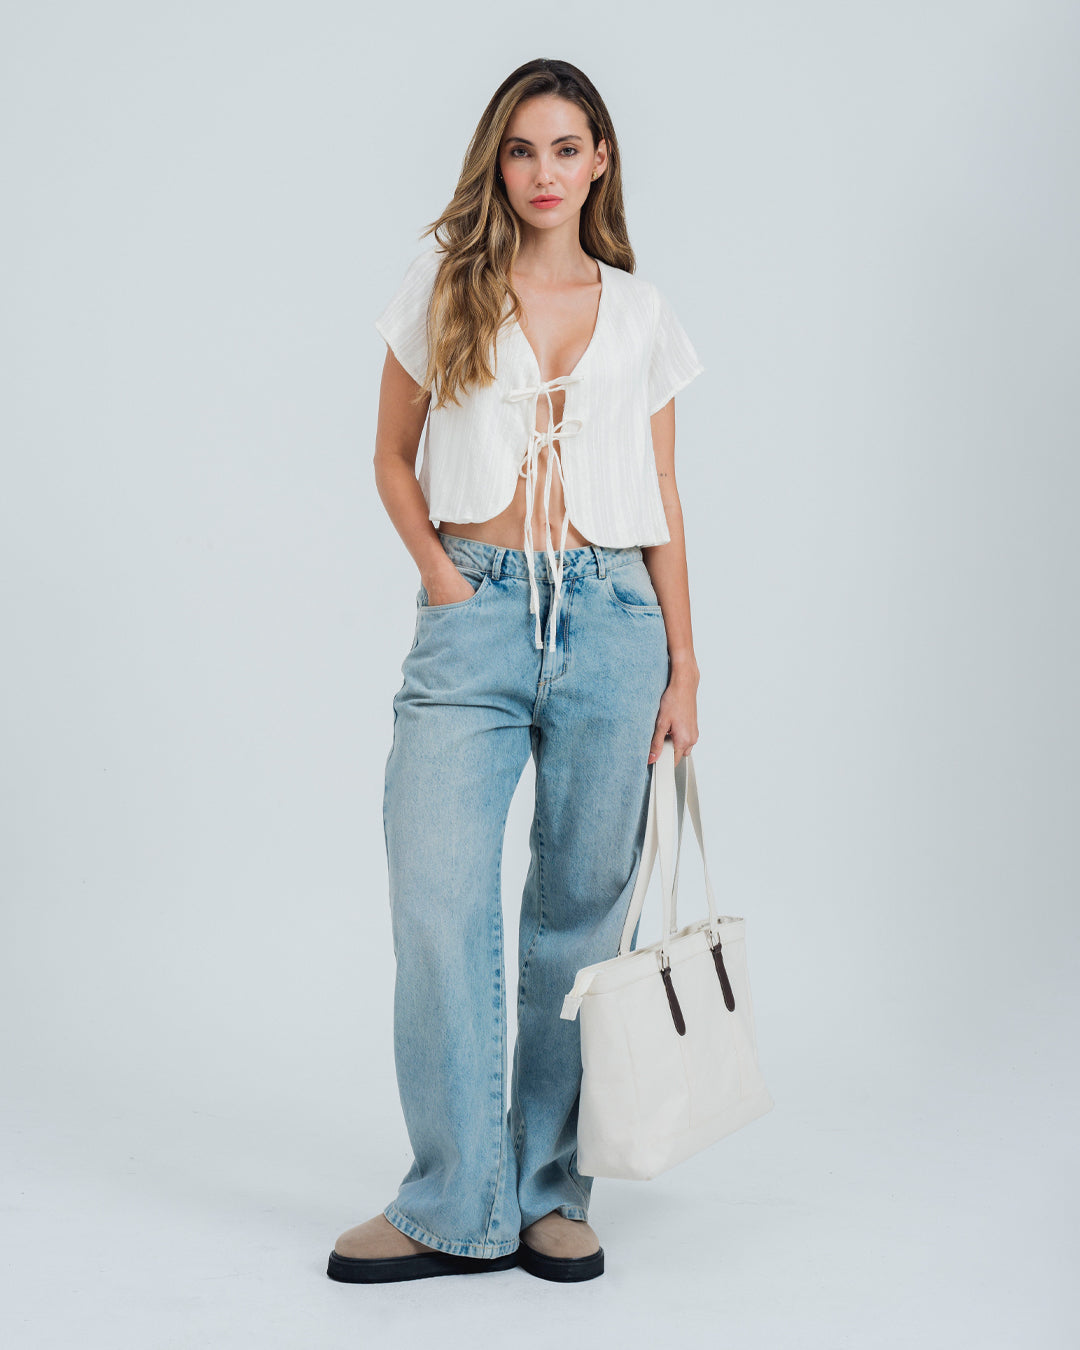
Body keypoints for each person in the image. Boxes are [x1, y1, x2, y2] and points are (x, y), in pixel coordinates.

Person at [328, 56, 704, 1286]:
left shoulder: (640, 312)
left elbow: (662, 490)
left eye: (567, 148)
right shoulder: (445, 282)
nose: (545, 171)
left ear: (600, 162)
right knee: (437, 896)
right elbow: (390, 455)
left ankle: (549, 1193)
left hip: (613, 616)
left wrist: (683, 662)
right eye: (523, 148)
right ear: (499, 162)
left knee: (580, 916)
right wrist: (444, 578)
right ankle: (454, 1201)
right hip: (476, 612)